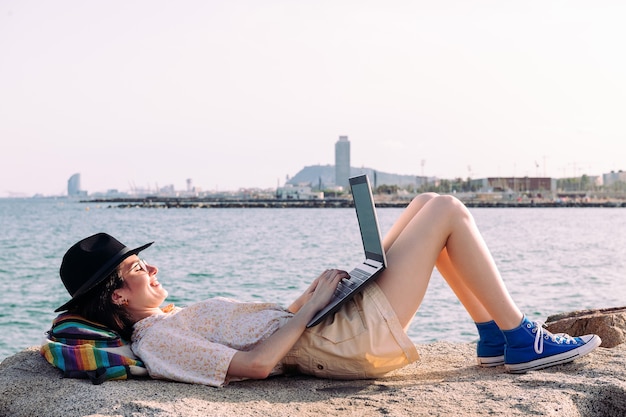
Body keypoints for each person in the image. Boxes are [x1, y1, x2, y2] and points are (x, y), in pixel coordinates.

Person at [54, 193, 601, 386]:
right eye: (136, 269)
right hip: (340, 344)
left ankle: (492, 337)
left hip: (324, 328)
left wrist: (308, 297)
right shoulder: (156, 339)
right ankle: (517, 337)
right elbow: (256, 366)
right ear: (117, 296)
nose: (151, 270)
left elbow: (258, 336)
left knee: (422, 208)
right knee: (445, 212)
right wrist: (314, 305)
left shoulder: (166, 318)